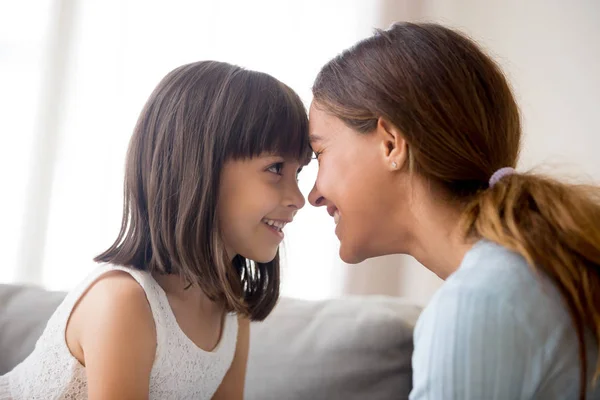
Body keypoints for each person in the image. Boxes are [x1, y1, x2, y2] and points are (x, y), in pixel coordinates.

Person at [307, 22, 600, 399]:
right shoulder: (520, 276)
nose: (313, 194)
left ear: (391, 144)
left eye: (320, 153)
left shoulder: (480, 300)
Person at [0, 60, 310, 399]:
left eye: (299, 173)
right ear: (199, 168)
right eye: (276, 168)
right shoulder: (124, 302)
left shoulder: (231, 313)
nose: (298, 198)